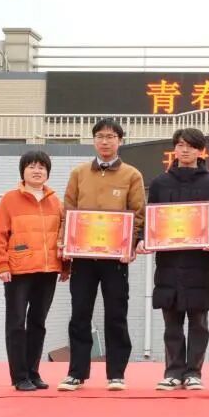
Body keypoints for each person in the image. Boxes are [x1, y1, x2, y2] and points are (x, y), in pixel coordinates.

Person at [57, 118, 146, 392]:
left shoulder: (132, 175)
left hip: (115, 259)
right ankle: (76, 373)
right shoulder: (79, 173)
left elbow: (138, 214)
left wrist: (129, 246)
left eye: (111, 137)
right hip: (82, 257)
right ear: (94, 141)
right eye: (100, 136)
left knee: (116, 314)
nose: (105, 141)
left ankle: (116, 373)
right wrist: (63, 243)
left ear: (120, 141)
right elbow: (68, 211)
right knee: (79, 314)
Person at [135, 128, 209, 391]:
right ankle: (173, 372)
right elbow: (151, 218)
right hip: (169, 264)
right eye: (180, 145)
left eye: (191, 146)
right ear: (174, 149)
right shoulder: (160, 183)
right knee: (171, 322)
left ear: (200, 150)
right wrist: (143, 239)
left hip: (199, 264)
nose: (185, 150)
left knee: (199, 323)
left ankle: (194, 372)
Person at [0, 151, 69, 391]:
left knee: (38, 322)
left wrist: (66, 266)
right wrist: (1, 265)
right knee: (16, 323)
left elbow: (63, 236)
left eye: (42, 167)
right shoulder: (10, 199)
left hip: (47, 270)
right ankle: (19, 376)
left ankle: (33, 372)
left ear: (48, 172)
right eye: (32, 166)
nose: (37, 171)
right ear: (23, 171)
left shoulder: (56, 202)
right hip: (18, 270)